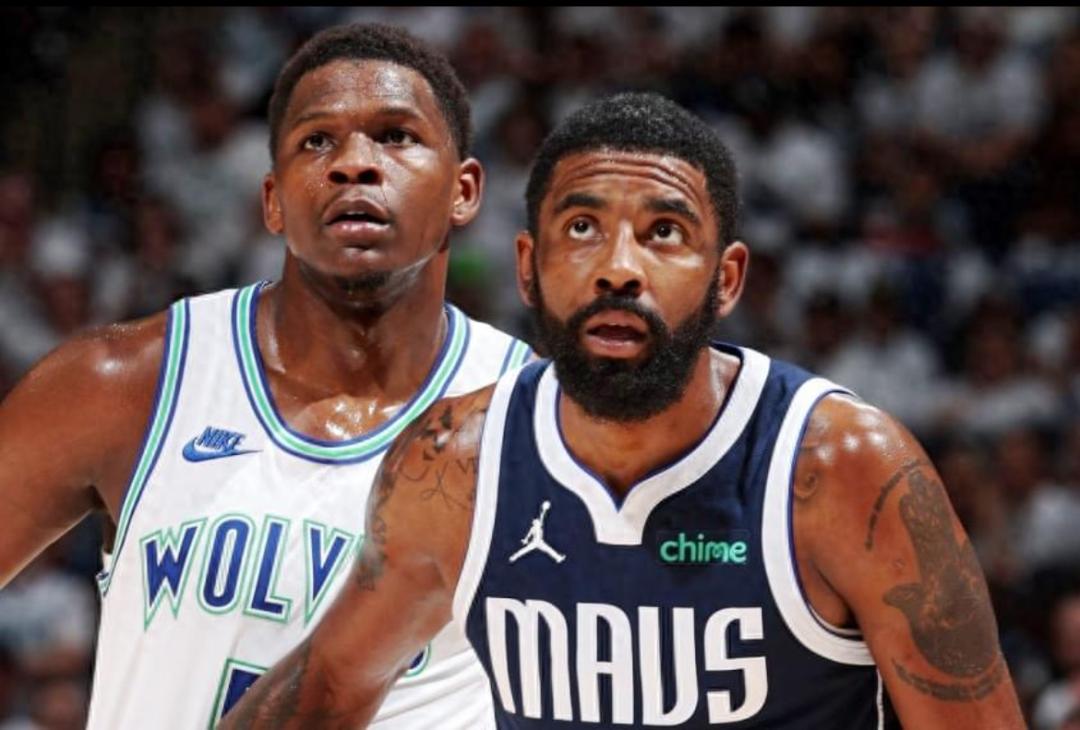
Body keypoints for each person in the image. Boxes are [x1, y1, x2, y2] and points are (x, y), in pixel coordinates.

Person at [223, 92, 1027, 728]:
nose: (618, 269)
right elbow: (325, 693)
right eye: (582, 227)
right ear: (528, 267)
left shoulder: (843, 468)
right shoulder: (455, 465)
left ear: (726, 279)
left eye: (664, 232)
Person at [0, 23, 533, 730]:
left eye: (395, 136)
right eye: (317, 142)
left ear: (464, 190)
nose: (354, 164)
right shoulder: (121, 383)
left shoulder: (533, 423)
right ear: (274, 200)